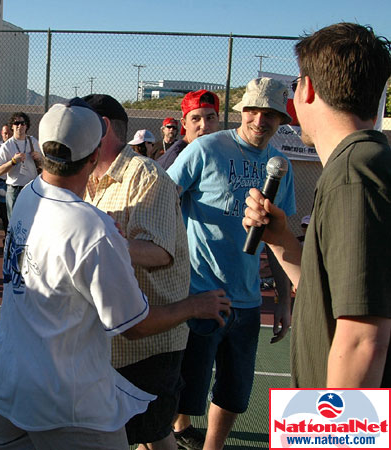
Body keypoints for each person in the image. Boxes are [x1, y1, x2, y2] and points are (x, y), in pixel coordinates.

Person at [0, 98, 230, 450]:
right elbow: (135, 325)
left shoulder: (28, 197)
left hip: (9, 373)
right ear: (93, 156)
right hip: (64, 396)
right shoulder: (92, 227)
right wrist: (194, 306)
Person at [243, 23, 391, 388]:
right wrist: (280, 241)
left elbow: (361, 337)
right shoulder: (362, 163)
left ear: (306, 89)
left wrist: (332, 435)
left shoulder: (355, 172)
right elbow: (328, 300)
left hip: (338, 424)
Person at [83, 94, 227, 450]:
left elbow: (159, 253)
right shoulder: (85, 177)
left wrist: (90, 248)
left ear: (101, 128)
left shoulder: (147, 177)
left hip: (148, 343)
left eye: (79, 123)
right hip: (106, 338)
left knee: (154, 436)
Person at [166, 78, 296, 450]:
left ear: (281, 119)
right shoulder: (207, 149)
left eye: (270, 113)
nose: (260, 120)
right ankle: (178, 431)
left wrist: (284, 300)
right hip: (200, 294)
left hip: (248, 300)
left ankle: (213, 446)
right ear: (241, 111)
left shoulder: (280, 167)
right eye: (253, 110)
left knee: (234, 390)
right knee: (185, 389)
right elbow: (164, 200)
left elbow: (279, 240)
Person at [0, 112, 43, 220]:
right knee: (14, 221)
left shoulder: (33, 142)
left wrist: (39, 157)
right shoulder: (7, 146)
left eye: (22, 123)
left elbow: (44, 165)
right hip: (14, 189)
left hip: (31, 187)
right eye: (16, 123)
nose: (20, 126)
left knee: (31, 220)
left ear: (27, 126)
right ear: (12, 126)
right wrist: (13, 161)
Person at [157, 90, 220, 171]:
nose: (204, 126)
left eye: (210, 118)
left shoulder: (222, 152)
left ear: (218, 119)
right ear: (184, 123)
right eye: (195, 119)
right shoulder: (174, 161)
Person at [0, 124, 12, 238]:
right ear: (1, 133)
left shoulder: (17, 146)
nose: (7, 135)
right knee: (4, 213)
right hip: (2, 182)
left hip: (14, 182)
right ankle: (6, 235)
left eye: (9, 133)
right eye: (5, 133)